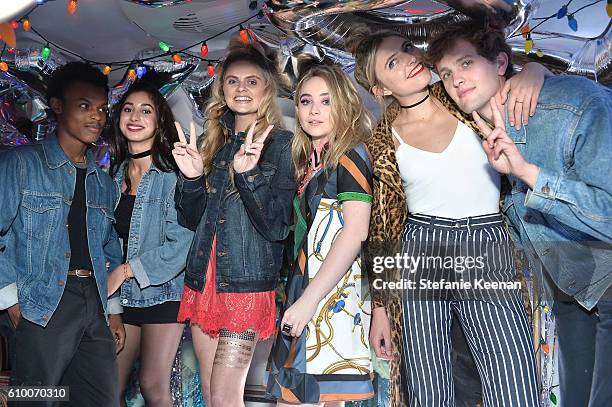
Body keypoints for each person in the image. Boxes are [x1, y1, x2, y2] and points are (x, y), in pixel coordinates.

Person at [347, 27, 547, 406]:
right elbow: (383, 223)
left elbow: (508, 76)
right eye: (393, 62)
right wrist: (379, 309)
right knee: (428, 383)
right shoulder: (382, 138)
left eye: (407, 48)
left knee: (513, 376)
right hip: (421, 247)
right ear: (381, 89)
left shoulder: (462, 96)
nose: (409, 60)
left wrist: (535, 69)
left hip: (485, 242)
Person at [429, 20, 612, 407]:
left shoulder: (574, 104)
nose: (455, 80)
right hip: (571, 290)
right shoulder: (481, 124)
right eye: (446, 73)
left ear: (499, 63)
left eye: (465, 64)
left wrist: (527, 174)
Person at [171, 37, 295, 407]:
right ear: (221, 89)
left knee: (226, 397)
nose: (242, 89)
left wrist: (250, 174)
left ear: (267, 89)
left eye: (252, 81)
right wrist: (192, 178)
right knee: (212, 398)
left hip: (245, 287)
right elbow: (191, 219)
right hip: (204, 283)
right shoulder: (215, 144)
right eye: (233, 81)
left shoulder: (283, 145)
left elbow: (278, 226)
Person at [0, 61, 124, 406]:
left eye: (101, 109)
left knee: (100, 399)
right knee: (38, 399)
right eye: (84, 106)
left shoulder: (103, 183)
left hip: (93, 301)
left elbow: (108, 249)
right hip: (43, 299)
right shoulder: (21, 164)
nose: (96, 117)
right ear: (57, 107)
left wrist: (113, 310)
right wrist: (10, 299)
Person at [267, 59, 375, 406]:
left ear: (344, 104)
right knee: (292, 397)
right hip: (304, 288)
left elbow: (356, 231)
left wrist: (309, 300)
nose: (315, 110)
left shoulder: (350, 155)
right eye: (306, 101)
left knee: (318, 398)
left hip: (329, 296)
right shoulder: (308, 162)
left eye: (326, 101)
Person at [106, 82, 194, 407]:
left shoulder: (172, 175)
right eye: (128, 109)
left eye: (146, 111)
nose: (135, 116)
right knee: (107, 386)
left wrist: (127, 271)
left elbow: (182, 244)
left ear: (159, 123)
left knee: (153, 387)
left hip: (162, 293)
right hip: (122, 299)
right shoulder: (112, 178)